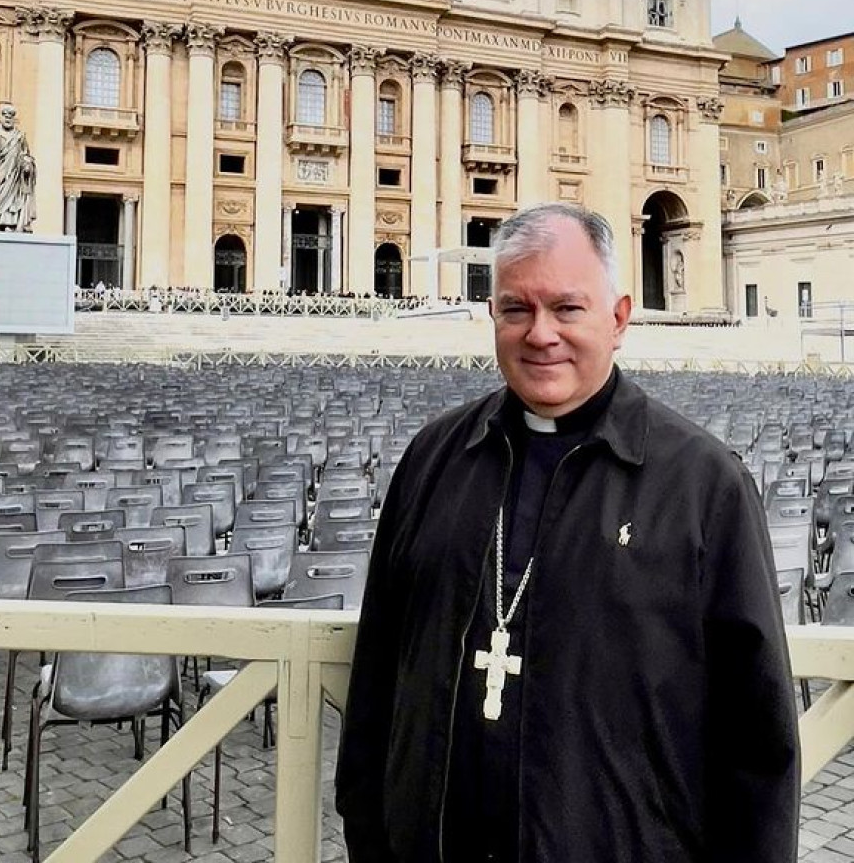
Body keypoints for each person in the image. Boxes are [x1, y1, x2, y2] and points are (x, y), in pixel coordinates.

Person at [336, 202, 799, 863]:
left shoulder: (704, 484)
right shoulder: (431, 459)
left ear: (617, 318)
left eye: (566, 308)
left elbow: (756, 739)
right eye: (516, 308)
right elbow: (376, 678)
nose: (539, 333)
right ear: (491, 316)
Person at [0, 104, 36, 232]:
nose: (8, 119)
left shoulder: (19, 136)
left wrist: (27, 165)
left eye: (11, 117)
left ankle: (9, 222)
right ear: (1, 117)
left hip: (14, 174)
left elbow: (26, 154)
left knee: (12, 198)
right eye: (5, 116)